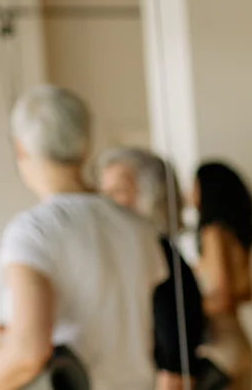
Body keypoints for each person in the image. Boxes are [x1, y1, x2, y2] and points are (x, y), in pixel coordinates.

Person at [0, 85, 166, 390]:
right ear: (85, 145)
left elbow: (27, 353)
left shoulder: (33, 231)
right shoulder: (137, 227)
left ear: (21, 148)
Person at [97, 148, 207, 390]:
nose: (107, 205)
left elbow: (174, 369)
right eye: (104, 194)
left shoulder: (161, 260)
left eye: (119, 192)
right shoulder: (141, 258)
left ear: (151, 196)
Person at [191, 162, 252, 390]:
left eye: (195, 187)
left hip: (222, 351)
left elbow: (222, 296)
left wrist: (185, 306)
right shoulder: (236, 236)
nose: (191, 194)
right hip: (241, 346)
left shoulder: (214, 233)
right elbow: (248, 292)